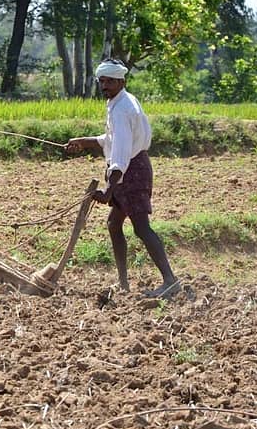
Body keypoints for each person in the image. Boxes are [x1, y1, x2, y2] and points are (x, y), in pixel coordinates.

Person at [65, 59, 179, 298]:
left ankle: (170, 280)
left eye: (109, 82)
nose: (104, 86)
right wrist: (84, 142)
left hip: (131, 173)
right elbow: (112, 140)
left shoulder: (122, 109)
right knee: (114, 224)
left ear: (121, 81)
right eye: (101, 81)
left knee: (141, 227)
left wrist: (108, 190)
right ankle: (123, 282)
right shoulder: (121, 103)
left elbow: (121, 153)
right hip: (131, 169)